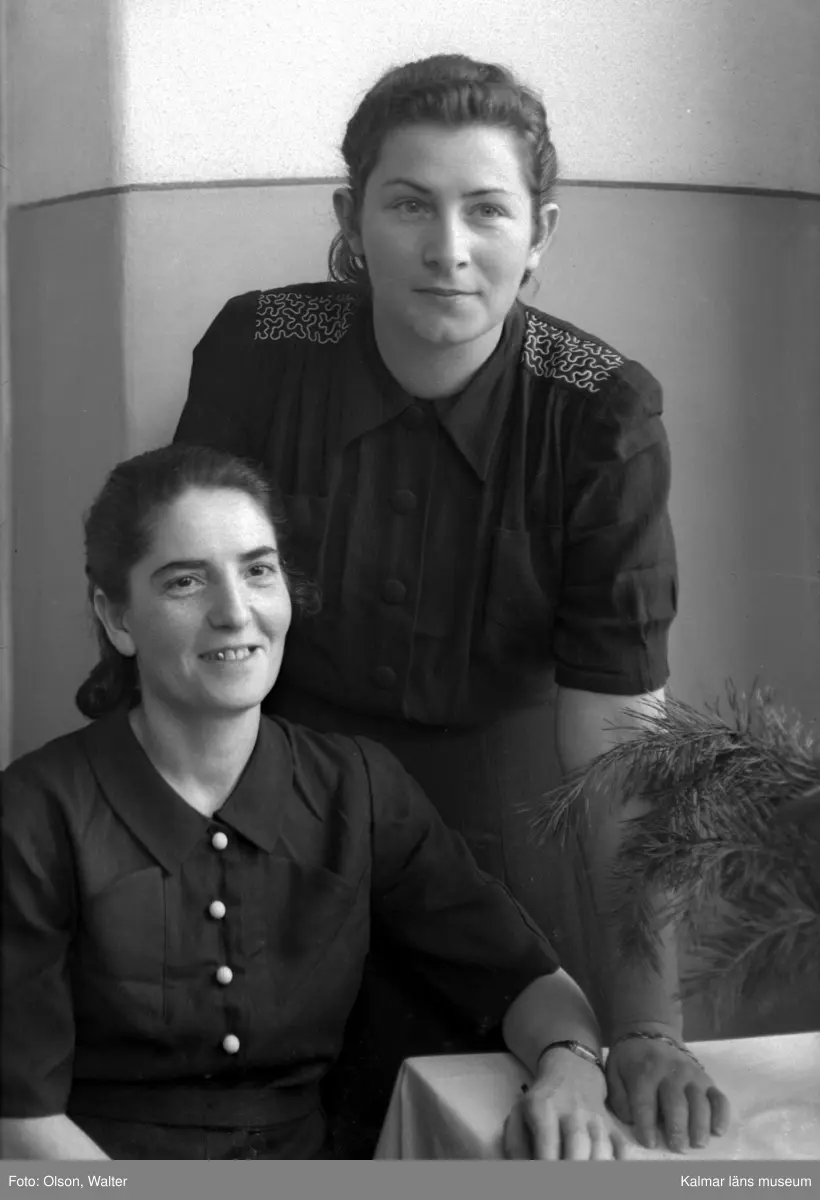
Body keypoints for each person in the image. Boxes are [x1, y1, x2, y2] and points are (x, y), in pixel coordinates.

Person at [174, 54, 730, 1155]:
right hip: (266, 815)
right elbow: (184, 624)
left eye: (486, 209)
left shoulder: (601, 412)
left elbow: (616, 744)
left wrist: (644, 1026)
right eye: (409, 205)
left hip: (492, 865)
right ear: (351, 218)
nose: (448, 249)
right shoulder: (257, 347)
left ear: (540, 231)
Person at [0, 443, 638, 1162]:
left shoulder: (359, 789)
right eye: (185, 582)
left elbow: (521, 976)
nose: (235, 612)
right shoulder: (32, 816)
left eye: (257, 571)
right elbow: (18, 1122)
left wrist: (570, 1070)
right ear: (117, 619)